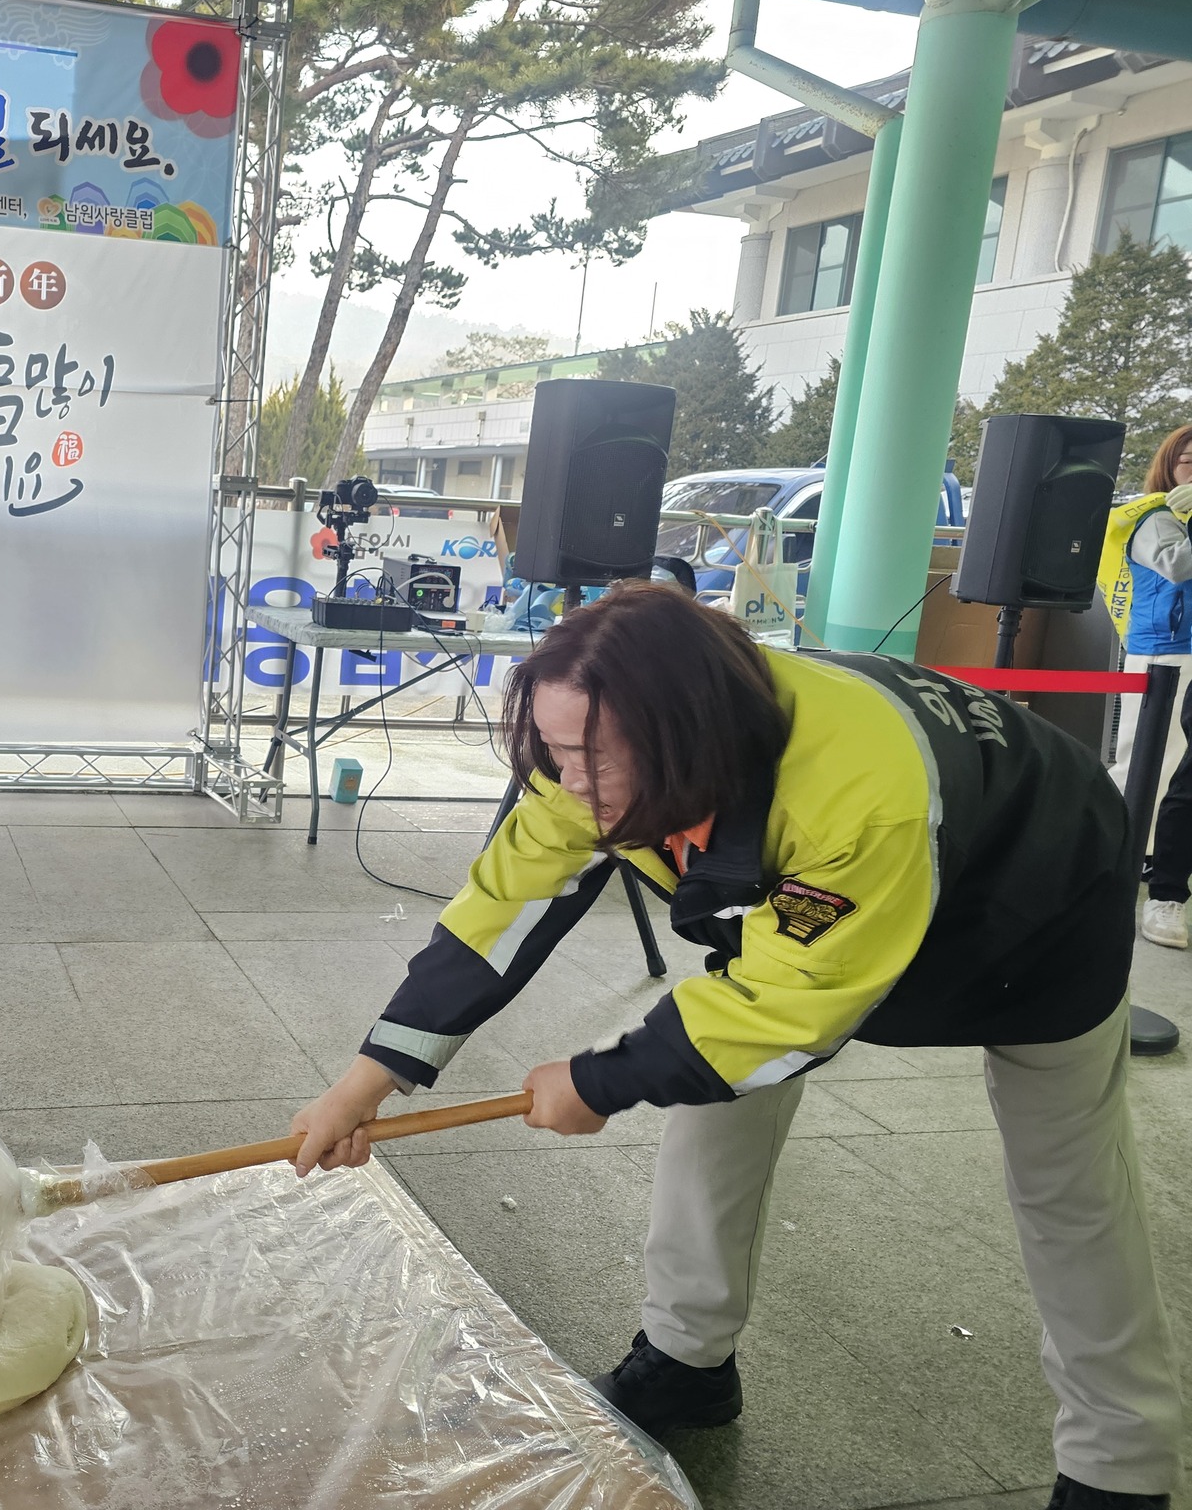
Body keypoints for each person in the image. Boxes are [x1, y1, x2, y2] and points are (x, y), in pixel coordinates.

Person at [291, 584, 1181, 1510]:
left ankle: (1121, 1464)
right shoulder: (597, 745)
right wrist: (366, 1082)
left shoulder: (856, 791)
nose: (568, 779)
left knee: (1069, 1179)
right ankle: (687, 1362)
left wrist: (598, 1082)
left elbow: (786, 1011)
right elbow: (496, 916)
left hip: (1036, 896)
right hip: (829, 904)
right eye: (553, 752)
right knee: (714, 1097)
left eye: (591, 757)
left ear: (684, 736)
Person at [1099, 424, 1192, 948]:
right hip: (1164, 651)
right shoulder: (1155, 515)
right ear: (1169, 465)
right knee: (1142, 761)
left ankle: (1149, 856)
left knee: (1180, 769)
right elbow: (1178, 566)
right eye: (1189, 461)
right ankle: (1106, 848)